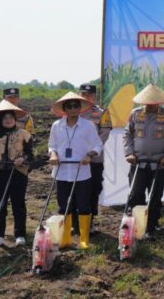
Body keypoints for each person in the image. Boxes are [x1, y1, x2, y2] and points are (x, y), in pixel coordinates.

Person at [122, 84, 164, 239]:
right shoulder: (135, 114)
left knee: (155, 196)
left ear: (160, 102)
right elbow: (127, 134)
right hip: (138, 162)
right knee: (135, 195)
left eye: (154, 102)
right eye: (148, 102)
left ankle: (151, 226)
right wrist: (129, 153)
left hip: (159, 163)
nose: (151, 105)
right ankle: (136, 225)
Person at [48, 92, 102, 250]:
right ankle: (65, 238)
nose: (73, 109)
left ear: (80, 108)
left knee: (84, 205)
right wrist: (53, 154)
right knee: (63, 205)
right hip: (62, 171)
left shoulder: (88, 126)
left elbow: (97, 145)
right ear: (64, 109)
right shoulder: (56, 126)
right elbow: (52, 145)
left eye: (76, 106)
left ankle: (84, 239)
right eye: (69, 106)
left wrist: (89, 155)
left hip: (82, 171)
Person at [0, 100, 33, 247]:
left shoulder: (24, 134)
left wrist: (22, 159)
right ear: (0, 121)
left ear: (15, 119)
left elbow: (30, 155)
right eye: (5, 118)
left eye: (11, 117)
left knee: (18, 204)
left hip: (18, 173)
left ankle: (20, 234)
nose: (8, 120)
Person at [79, 84, 112, 234]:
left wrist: (90, 151)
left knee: (93, 190)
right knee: (76, 192)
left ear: (95, 96)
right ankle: (74, 223)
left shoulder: (102, 113)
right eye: (84, 94)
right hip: (76, 161)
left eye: (90, 95)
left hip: (94, 160)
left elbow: (104, 135)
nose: (87, 97)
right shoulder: (73, 111)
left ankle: (89, 223)